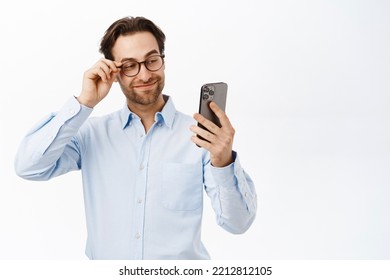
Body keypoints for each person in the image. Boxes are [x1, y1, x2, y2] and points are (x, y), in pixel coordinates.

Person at [14, 16, 257, 260]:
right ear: (114, 71)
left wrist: (224, 161)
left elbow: (238, 224)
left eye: (152, 60)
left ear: (163, 61)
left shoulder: (201, 137)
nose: (144, 75)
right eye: (130, 65)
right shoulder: (90, 134)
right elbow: (29, 167)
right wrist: (84, 103)